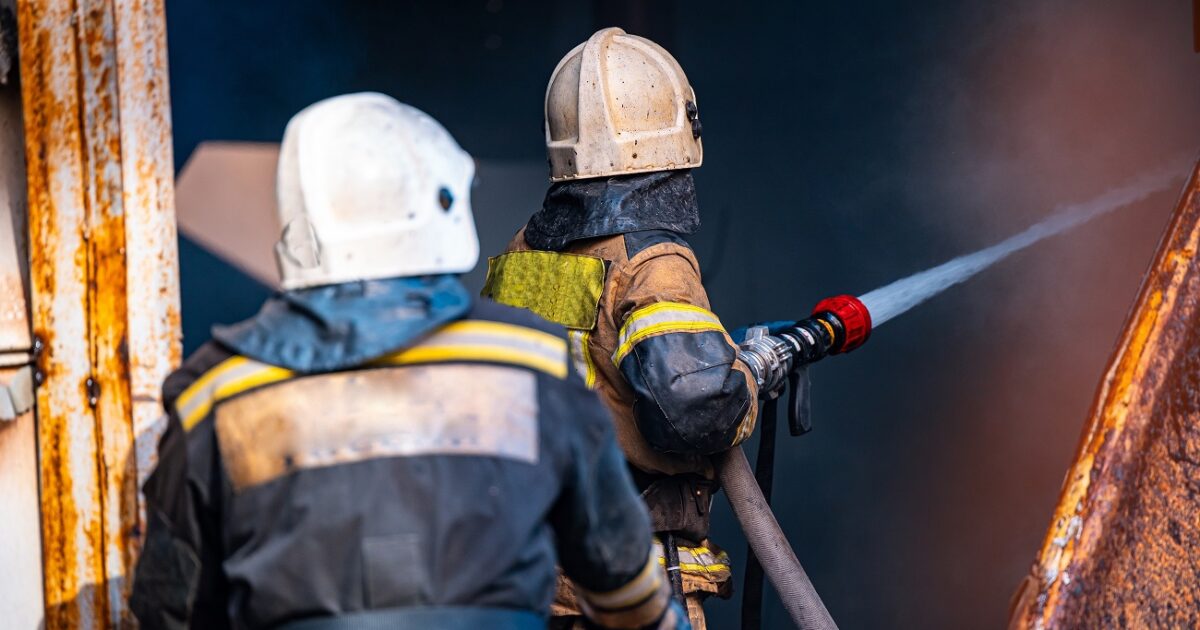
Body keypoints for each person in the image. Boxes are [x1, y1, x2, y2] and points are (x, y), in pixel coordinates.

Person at [129, 92, 687, 630]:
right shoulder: (532, 367)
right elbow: (622, 578)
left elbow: (171, 609)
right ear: (441, 203)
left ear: (299, 223)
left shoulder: (216, 398)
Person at [482, 28, 758, 629]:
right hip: (636, 585)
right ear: (678, 125)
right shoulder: (653, 263)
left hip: (535, 575)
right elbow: (694, 410)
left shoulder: (527, 252)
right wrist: (750, 372)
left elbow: (589, 357)